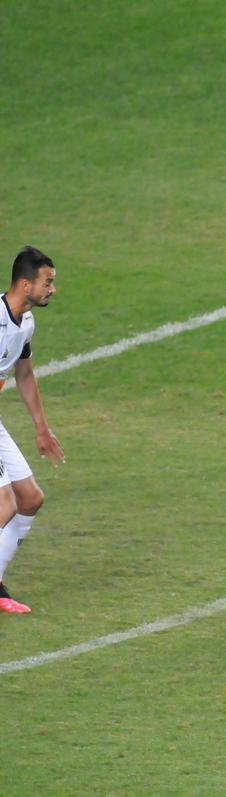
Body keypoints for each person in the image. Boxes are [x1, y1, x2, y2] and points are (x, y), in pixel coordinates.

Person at [0, 246, 65, 614]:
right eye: (47, 282)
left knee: (30, 499)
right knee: (4, 503)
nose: (52, 289)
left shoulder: (25, 323)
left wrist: (41, 427)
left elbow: (23, 372)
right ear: (25, 284)